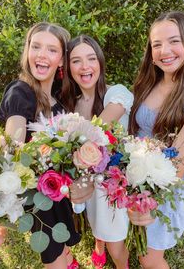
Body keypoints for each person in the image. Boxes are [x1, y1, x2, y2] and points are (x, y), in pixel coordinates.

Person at [128, 10, 184, 269]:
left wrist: (145, 199)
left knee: (150, 257)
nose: (165, 50)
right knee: (140, 248)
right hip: (136, 177)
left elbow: (181, 158)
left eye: (174, 41)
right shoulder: (148, 83)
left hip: (165, 183)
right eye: (157, 44)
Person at [0, 22, 83, 269]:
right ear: (27, 51)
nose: (42, 55)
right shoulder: (21, 92)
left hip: (58, 193)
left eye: (51, 50)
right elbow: (13, 150)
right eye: (35, 46)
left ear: (62, 61)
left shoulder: (57, 96)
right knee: (53, 259)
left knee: (63, 248)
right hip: (39, 201)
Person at [61, 35, 133, 269]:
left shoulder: (116, 94)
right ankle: (98, 245)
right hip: (87, 183)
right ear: (67, 67)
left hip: (112, 187)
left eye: (91, 58)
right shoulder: (71, 103)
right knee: (94, 224)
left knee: (116, 245)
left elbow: (97, 130)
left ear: (100, 62)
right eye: (76, 61)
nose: (85, 67)